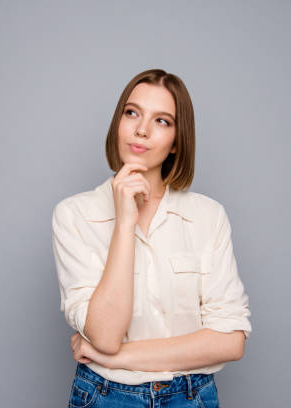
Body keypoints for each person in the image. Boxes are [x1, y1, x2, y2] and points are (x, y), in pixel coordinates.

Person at [51, 68, 252, 408]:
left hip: (191, 397)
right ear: (118, 122)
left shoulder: (208, 216)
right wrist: (124, 223)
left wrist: (118, 358)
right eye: (132, 113)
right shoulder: (73, 215)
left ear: (176, 142)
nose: (141, 130)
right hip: (106, 397)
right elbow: (105, 335)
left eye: (162, 121)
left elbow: (230, 342)